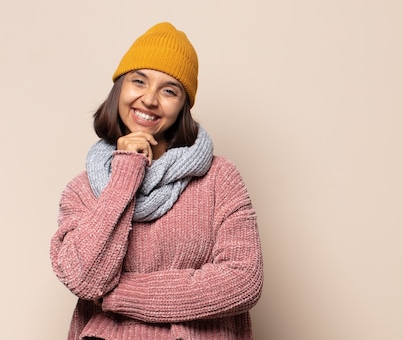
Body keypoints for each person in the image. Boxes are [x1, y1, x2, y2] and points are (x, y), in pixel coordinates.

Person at [49, 22, 263, 340]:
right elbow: (85, 280)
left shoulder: (220, 179)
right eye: (139, 81)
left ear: (183, 106)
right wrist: (126, 172)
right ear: (119, 88)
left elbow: (243, 281)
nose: (149, 99)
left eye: (169, 90)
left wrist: (118, 295)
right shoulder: (82, 191)